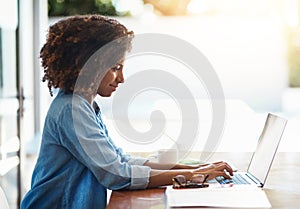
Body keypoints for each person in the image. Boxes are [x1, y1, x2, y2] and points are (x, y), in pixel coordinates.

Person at [21, 15, 233, 209]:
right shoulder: (71, 110)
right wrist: (192, 175)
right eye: (115, 68)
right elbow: (115, 174)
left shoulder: (84, 106)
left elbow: (120, 160)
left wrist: (196, 169)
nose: (121, 78)